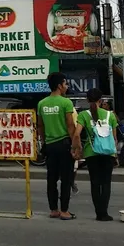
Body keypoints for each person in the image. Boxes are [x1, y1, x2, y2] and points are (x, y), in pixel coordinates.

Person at [37, 72, 80, 220]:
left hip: (50, 145)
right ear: (59, 85)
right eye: (65, 83)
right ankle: (64, 211)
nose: (67, 86)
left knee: (51, 179)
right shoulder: (65, 103)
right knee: (66, 179)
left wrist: (44, 142)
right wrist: (76, 145)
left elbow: (40, 126)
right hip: (64, 144)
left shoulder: (42, 103)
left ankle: (53, 209)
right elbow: (70, 126)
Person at [74, 88, 118, 221]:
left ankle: (98, 213)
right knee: (106, 183)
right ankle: (104, 213)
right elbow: (114, 138)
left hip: (91, 152)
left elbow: (76, 134)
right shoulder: (110, 115)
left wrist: (77, 148)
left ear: (87, 100)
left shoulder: (83, 115)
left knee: (95, 182)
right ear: (101, 100)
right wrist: (115, 155)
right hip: (108, 153)